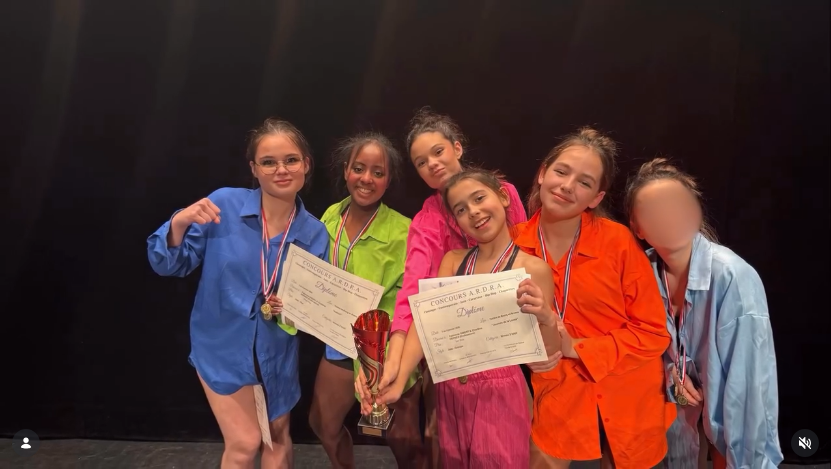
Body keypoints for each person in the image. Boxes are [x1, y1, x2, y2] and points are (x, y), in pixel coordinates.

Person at [147, 118, 329, 469]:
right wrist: (180, 222)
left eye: (291, 160)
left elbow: (312, 308)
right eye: (268, 162)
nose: (281, 170)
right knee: (245, 443)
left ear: (306, 164)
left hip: (277, 353)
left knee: (277, 438)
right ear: (254, 169)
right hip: (222, 348)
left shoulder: (315, 233)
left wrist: (293, 309)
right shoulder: (224, 205)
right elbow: (170, 265)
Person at [354, 107, 530, 467]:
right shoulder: (427, 221)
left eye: (438, 152)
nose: (432, 164)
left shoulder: (501, 193)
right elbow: (413, 293)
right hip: (451, 352)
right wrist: (394, 364)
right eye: (421, 162)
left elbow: (523, 259)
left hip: (503, 352)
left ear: (457, 148)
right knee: (446, 442)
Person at [375, 168, 562, 468]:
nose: (473, 212)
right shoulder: (453, 262)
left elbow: (548, 355)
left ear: (502, 197)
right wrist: (398, 382)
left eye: (479, 198)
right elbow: (428, 327)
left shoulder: (533, 268)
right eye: (461, 209)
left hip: (501, 394)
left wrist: (546, 318)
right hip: (451, 390)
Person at [513, 127, 674, 469]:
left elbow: (653, 333)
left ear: (596, 198)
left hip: (628, 397)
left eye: (584, 182)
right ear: (542, 173)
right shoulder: (512, 245)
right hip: (556, 401)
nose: (567, 186)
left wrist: (576, 347)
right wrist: (525, 354)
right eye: (561, 172)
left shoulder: (618, 242)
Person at [624, 158, 783, 469]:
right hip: (673, 420)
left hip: (730, 416)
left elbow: (749, 389)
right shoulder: (638, 273)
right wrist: (670, 373)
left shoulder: (732, 276)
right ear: (637, 227)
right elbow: (636, 349)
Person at [308, 132, 425, 468]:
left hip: (387, 350)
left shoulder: (404, 231)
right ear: (346, 170)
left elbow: (409, 297)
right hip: (340, 341)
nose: (366, 179)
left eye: (378, 172)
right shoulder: (332, 215)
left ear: (389, 179)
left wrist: (384, 355)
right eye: (359, 168)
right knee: (322, 423)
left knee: (402, 438)